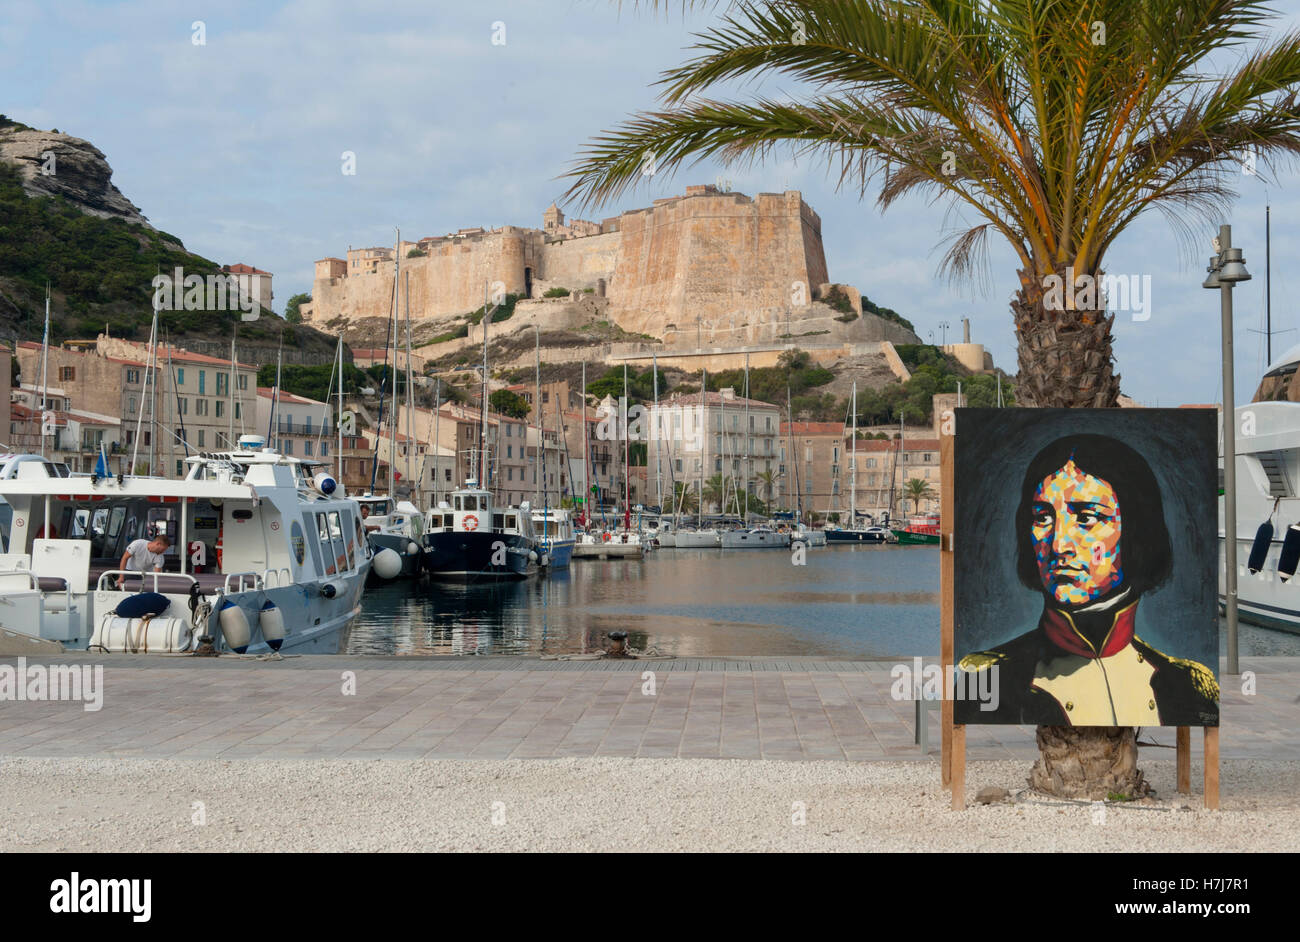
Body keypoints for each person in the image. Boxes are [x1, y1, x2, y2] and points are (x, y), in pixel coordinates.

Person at [957, 435, 1218, 727]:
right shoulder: (989, 678)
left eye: (1086, 517)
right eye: (1043, 518)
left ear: (1135, 528)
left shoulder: (1186, 685)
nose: (1059, 544)